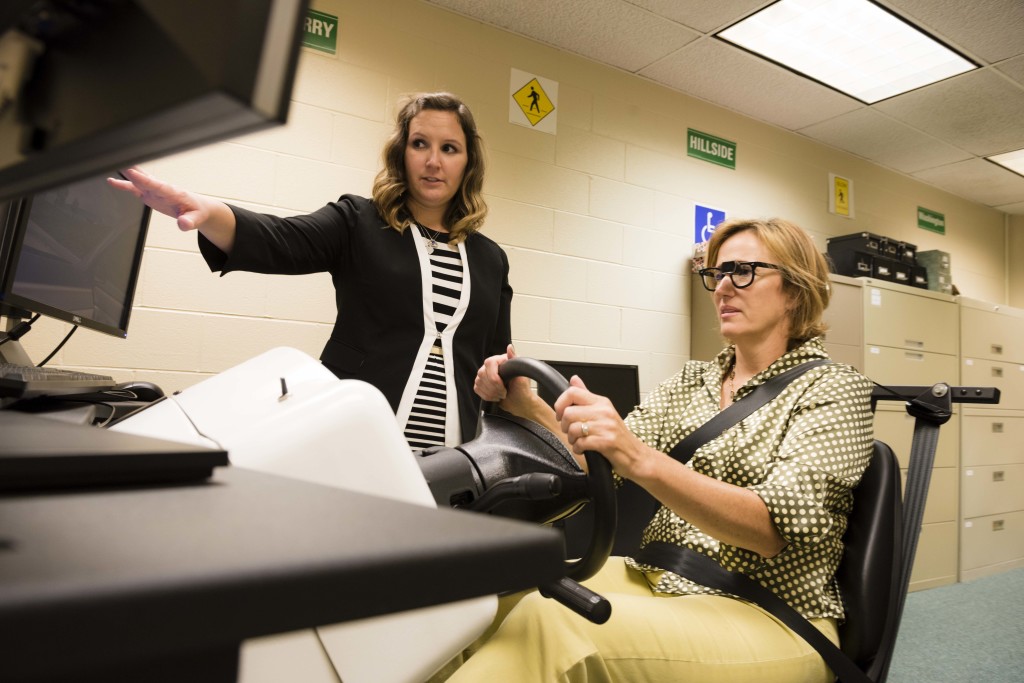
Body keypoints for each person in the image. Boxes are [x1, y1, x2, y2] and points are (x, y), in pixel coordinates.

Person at [463, 217, 875, 682]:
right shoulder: (692, 380)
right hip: (659, 577)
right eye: (717, 274)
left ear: (796, 291)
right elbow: (599, 462)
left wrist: (638, 456)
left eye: (743, 272)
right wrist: (529, 405)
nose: (722, 288)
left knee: (554, 622)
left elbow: (768, 529)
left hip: (772, 613)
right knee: (492, 598)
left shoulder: (835, 389)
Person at [110, 92, 512, 450]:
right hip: (357, 441)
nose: (433, 161)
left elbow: (499, 363)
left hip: (456, 460)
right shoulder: (359, 222)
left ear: (468, 162)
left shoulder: (490, 259)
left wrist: (497, 381)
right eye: (419, 143)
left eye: (450, 148)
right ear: (401, 153)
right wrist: (204, 210)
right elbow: (280, 239)